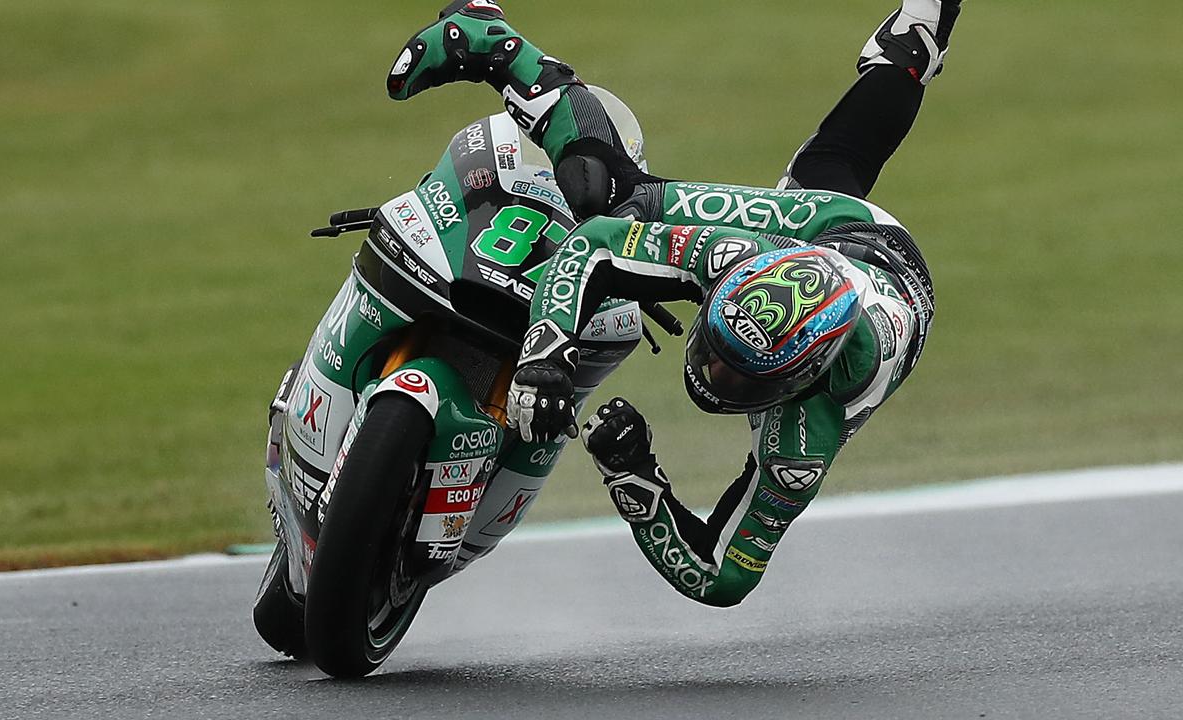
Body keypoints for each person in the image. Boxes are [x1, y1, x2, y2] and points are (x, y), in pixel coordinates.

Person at [388, 0, 959, 607]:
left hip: (880, 293)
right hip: (819, 229)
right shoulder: (732, 255)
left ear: (797, 384)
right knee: (613, 195)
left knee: (832, 164)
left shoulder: (804, 439)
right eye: (716, 349)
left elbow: (725, 578)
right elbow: (596, 241)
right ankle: (490, 42)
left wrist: (636, 480)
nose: (712, 373)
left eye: (740, 379)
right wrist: (546, 353)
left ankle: (910, 50)